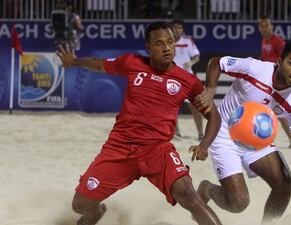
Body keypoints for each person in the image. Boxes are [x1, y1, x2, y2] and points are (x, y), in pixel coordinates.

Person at [56, 21, 222, 225]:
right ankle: (97, 212)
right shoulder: (132, 62)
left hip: (157, 150)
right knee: (79, 205)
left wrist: (204, 145)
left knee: (188, 194)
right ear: (148, 47)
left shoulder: (187, 80)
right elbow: (98, 64)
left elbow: (214, 116)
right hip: (119, 148)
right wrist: (74, 62)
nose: (167, 48)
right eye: (160, 43)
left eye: (170, 42)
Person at [195, 42, 291, 224]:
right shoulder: (254, 68)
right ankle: (207, 189)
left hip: (256, 139)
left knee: (285, 184)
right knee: (239, 202)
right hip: (225, 134)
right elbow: (216, 63)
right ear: (279, 61)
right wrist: (210, 91)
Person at [258, 15, 291, 148]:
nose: (264, 28)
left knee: (276, 110)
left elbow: (286, 58)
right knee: (274, 110)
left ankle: (290, 138)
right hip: (266, 78)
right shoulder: (264, 40)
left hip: (275, 80)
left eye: (267, 25)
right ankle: (290, 138)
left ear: (271, 26)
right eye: (262, 26)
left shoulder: (277, 41)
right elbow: (265, 58)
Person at [171, 19, 204, 141]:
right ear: (172, 28)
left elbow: (196, 56)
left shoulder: (187, 40)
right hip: (172, 78)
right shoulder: (167, 41)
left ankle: (200, 133)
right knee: (172, 107)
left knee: (194, 106)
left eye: (179, 28)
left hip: (187, 78)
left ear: (182, 29)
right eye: (175, 27)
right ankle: (176, 133)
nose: (177, 30)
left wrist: (190, 62)